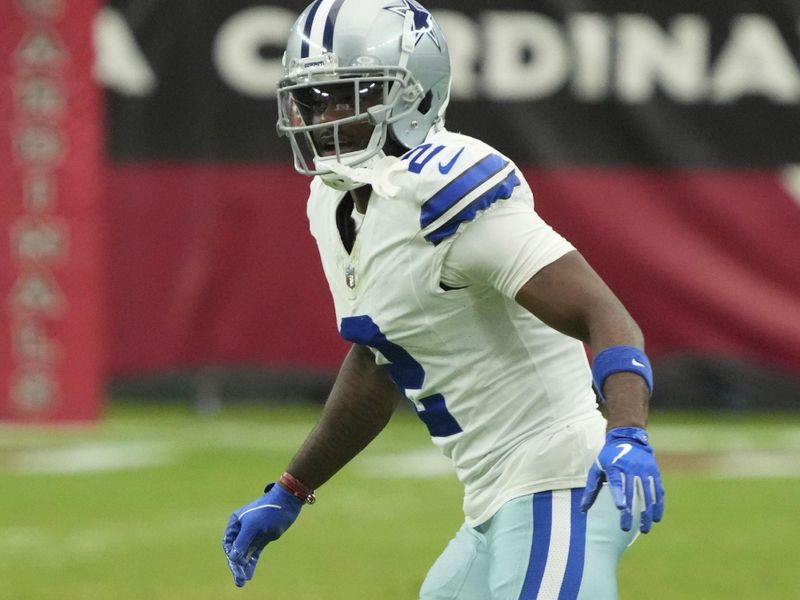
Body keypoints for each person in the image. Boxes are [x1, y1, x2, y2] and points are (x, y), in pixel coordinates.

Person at [222, 0, 665, 598]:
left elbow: (603, 314)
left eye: (349, 95)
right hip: (493, 501)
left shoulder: (449, 191)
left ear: (413, 94)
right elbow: (379, 356)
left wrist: (628, 432)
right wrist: (291, 489)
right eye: (314, 98)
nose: (324, 115)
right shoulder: (332, 204)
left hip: (562, 482)